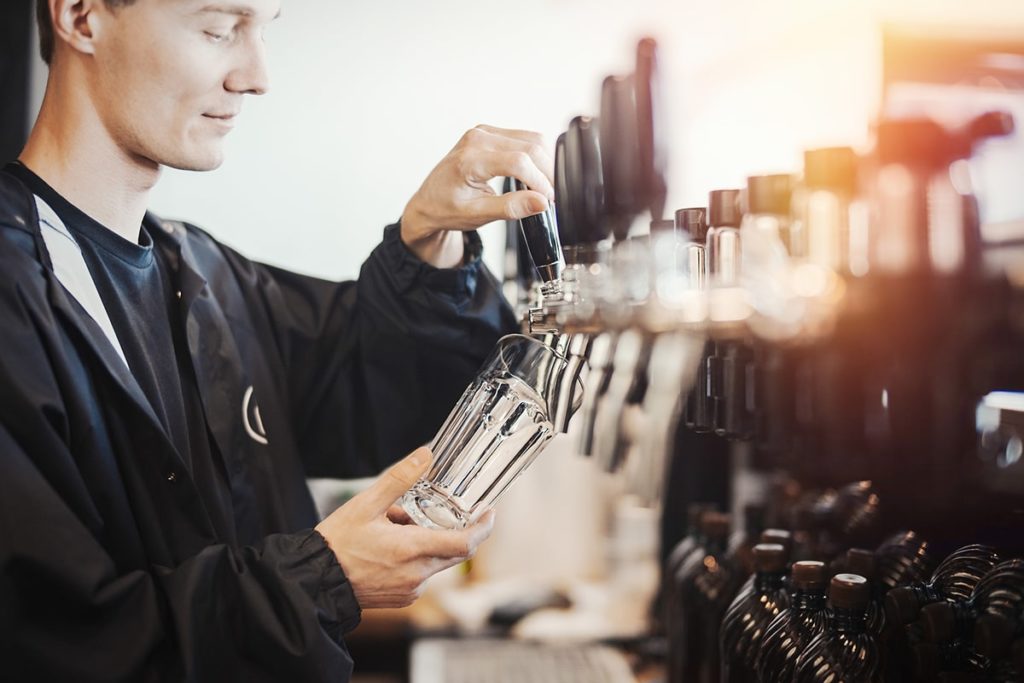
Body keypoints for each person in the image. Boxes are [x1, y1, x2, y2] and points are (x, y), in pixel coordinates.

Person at [0, 0, 556, 679]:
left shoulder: (202, 273)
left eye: (266, 29)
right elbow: (57, 642)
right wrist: (324, 578)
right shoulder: (16, 294)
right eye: (218, 29)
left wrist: (428, 240)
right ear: (81, 17)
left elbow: (384, 387)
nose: (257, 76)